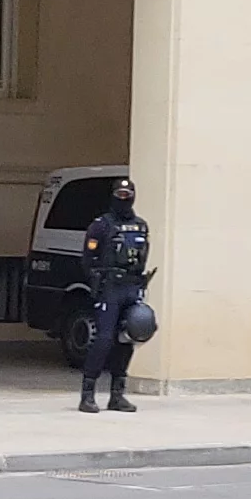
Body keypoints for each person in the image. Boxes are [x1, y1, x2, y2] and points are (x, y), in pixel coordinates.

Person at [80, 177, 154, 414]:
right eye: (120, 195)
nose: (123, 199)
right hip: (110, 288)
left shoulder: (141, 225)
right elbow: (87, 260)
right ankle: (88, 395)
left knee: (129, 337)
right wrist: (97, 282)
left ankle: (117, 395)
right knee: (103, 340)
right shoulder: (101, 225)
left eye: (127, 195)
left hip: (132, 287)